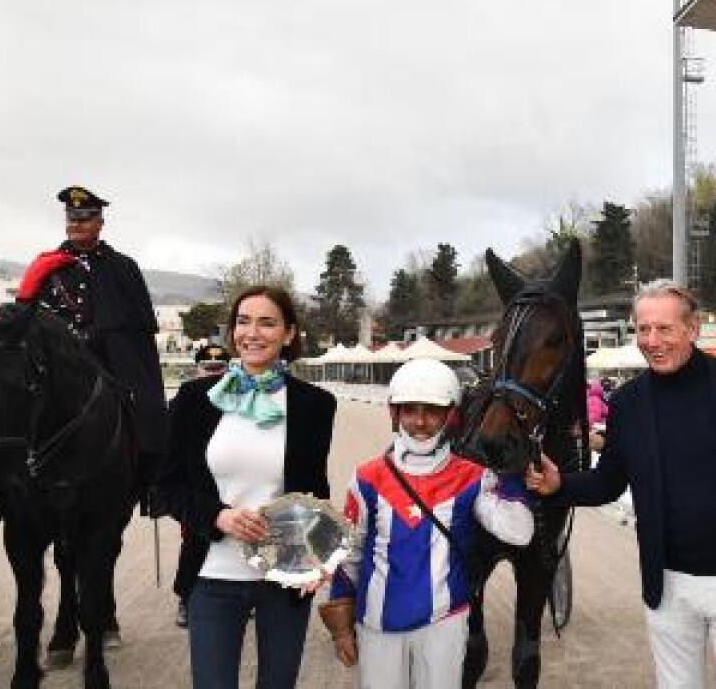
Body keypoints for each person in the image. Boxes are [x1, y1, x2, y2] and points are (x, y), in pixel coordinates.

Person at [526, 280, 716, 688]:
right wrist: (559, 485)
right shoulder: (627, 403)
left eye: (664, 329)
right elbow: (609, 482)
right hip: (668, 584)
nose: (653, 341)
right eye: (643, 329)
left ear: (692, 329)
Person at [158, 286, 336, 689]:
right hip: (211, 575)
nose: (252, 333)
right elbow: (167, 485)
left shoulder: (315, 405)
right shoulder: (193, 398)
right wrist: (218, 515)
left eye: (267, 323)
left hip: (285, 577)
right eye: (243, 321)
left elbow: (314, 490)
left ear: (289, 334)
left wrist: (319, 555)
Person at [321, 358, 532, 689]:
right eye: (410, 410)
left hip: (444, 623)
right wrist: (342, 628)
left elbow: (519, 533)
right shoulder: (366, 478)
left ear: (450, 416)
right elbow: (349, 556)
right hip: (377, 623)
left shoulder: (473, 477)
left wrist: (514, 472)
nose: (420, 421)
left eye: (432, 411)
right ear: (395, 414)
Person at [16, 186, 168, 501]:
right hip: (59, 365)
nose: (77, 226)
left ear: (100, 222)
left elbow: (140, 329)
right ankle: (0, 488)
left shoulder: (123, 267)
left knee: (148, 407)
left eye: (84, 219)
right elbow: (26, 319)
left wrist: (106, 339)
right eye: (72, 220)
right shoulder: (47, 266)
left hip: (113, 363)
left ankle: (152, 483)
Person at [171, 343, 233, 629]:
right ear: (198, 369)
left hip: (230, 481)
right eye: (208, 370)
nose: (212, 375)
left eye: (218, 370)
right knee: (195, 541)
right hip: (196, 483)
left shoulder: (237, 396)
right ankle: (186, 596)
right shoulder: (184, 397)